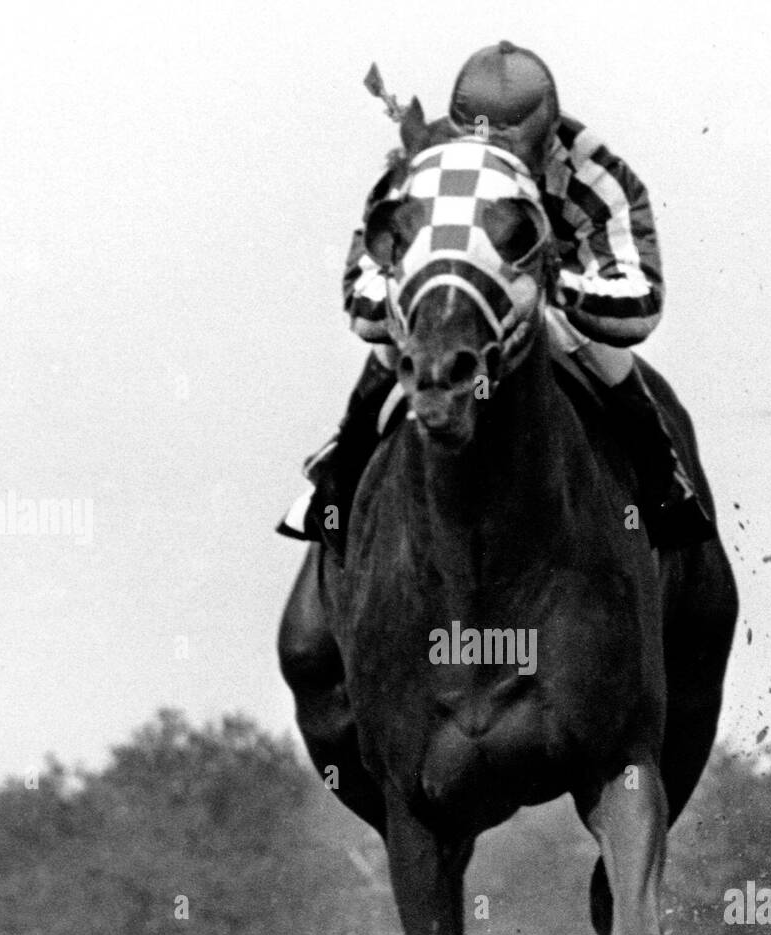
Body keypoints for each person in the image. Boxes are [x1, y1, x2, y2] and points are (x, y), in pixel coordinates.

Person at [281, 40, 713, 556]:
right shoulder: (423, 170)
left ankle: (662, 484)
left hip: (553, 308)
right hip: (454, 307)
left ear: (548, 139)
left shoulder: (594, 175)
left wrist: (548, 285)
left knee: (607, 358)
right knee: (392, 348)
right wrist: (413, 297)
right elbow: (363, 293)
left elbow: (640, 298)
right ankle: (336, 480)